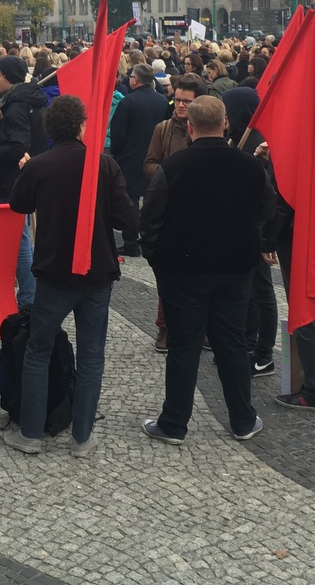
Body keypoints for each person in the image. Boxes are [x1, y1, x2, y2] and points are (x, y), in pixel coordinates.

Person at [3, 95, 136, 458]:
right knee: (92, 353)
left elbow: (18, 205)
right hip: (97, 273)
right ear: (82, 126)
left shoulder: (40, 166)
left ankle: (30, 433)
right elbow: (127, 219)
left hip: (54, 273)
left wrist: (26, 169)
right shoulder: (104, 166)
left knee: (38, 350)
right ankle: (82, 437)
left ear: (49, 128)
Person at [139, 96, 275, 443]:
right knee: (231, 342)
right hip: (234, 268)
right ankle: (242, 419)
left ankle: (174, 423)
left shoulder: (173, 168)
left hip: (184, 270)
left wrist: (158, 259)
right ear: (225, 123)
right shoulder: (250, 167)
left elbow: (150, 218)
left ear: (189, 126)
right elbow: (266, 209)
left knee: (184, 345)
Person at [142, 73, 206, 352]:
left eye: (187, 102)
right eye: (177, 100)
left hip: (201, 212)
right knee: (168, 274)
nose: (180, 106)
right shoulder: (163, 129)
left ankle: (201, 328)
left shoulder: (211, 126)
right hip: (170, 210)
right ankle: (164, 328)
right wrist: (171, 177)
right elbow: (149, 163)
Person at [0, 56, 47, 310]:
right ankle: (30, 293)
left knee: (18, 239)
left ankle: (28, 297)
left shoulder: (17, 106)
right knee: (20, 237)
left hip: (13, 179)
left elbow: (19, 146)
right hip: (24, 177)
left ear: (10, 77)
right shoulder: (23, 100)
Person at [109, 64, 168, 258]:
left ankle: (131, 242)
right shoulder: (162, 101)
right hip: (156, 155)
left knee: (131, 201)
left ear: (137, 80)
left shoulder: (127, 102)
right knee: (154, 199)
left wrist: (117, 154)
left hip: (130, 156)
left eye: (132, 76)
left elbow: (118, 132)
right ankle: (151, 237)